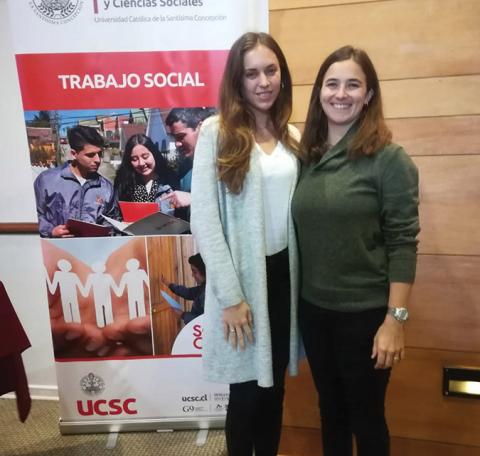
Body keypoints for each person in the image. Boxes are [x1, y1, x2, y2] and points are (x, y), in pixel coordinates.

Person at [291, 45, 420, 456]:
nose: (340, 93)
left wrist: (394, 321)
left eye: (353, 85)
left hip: (365, 317)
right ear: (320, 93)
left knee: (366, 418)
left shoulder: (389, 160)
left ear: (367, 96)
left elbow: (403, 241)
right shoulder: (306, 158)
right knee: (331, 413)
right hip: (314, 311)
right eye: (332, 83)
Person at [191, 32, 301, 456]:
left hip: (284, 277)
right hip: (242, 283)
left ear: (282, 74)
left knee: (274, 391)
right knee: (248, 393)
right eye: (251, 73)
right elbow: (204, 218)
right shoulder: (216, 132)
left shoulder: (289, 134)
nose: (263, 82)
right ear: (237, 80)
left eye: (270, 70)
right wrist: (232, 296)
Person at [34, 125, 117, 238]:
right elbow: (34, 215)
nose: (97, 160)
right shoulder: (46, 180)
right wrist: (50, 231)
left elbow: (112, 222)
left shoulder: (106, 188)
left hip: (93, 252)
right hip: (56, 251)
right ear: (74, 154)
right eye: (90, 155)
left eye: (99, 154)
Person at [114, 134, 190, 218]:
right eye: (134, 159)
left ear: (154, 154)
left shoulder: (170, 179)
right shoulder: (124, 183)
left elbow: (183, 214)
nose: (141, 163)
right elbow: (116, 214)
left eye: (145, 157)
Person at [165, 107, 215, 193]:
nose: (177, 144)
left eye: (181, 137)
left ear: (201, 127)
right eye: (174, 138)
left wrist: (191, 199)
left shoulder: (225, 161)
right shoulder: (184, 166)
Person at [161, 253, 206, 325]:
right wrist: (169, 284)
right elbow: (188, 292)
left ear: (204, 271)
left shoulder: (207, 294)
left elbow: (203, 322)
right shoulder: (204, 288)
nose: (192, 275)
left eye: (194, 271)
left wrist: (183, 315)